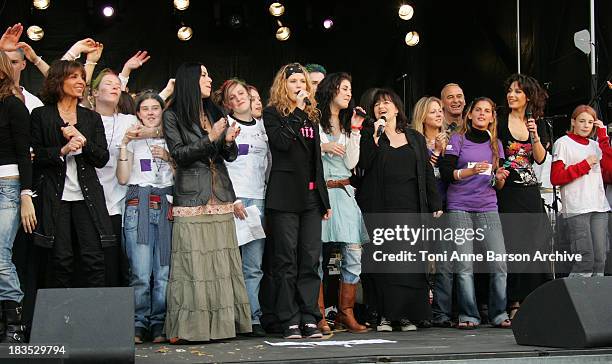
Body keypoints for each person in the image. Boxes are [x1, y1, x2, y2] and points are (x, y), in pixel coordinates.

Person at [163, 62, 251, 343]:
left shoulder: (215, 111)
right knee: (193, 265)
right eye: (203, 75)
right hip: (191, 196)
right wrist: (211, 137)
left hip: (221, 193)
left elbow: (230, 155)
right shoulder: (173, 115)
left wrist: (226, 141)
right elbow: (179, 154)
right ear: (189, 80)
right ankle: (191, 328)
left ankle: (223, 327)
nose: (209, 79)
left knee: (221, 265)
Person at [357, 89, 442, 332]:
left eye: (386, 103)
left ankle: (406, 315)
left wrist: (435, 204)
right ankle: (385, 316)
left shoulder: (414, 137)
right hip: (381, 208)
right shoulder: (371, 135)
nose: (381, 107)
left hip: (411, 208)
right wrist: (373, 137)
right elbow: (363, 165)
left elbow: (426, 171)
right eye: (377, 105)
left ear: (396, 108)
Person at [262, 62, 331, 339]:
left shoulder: (312, 116)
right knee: (286, 261)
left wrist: (323, 200)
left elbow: (316, 162)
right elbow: (281, 143)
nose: (299, 86)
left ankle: (309, 316)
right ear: (283, 85)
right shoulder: (272, 113)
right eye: (293, 82)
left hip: (310, 198)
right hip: (284, 198)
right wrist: (299, 111)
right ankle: (288, 317)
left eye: (302, 81)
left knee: (310, 260)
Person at [31, 60, 115, 288]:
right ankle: (62, 318)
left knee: (94, 257)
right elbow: (35, 156)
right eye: (74, 77)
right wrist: (62, 150)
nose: (81, 82)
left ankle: (97, 315)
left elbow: (102, 158)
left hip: (86, 196)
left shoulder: (91, 117)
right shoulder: (41, 115)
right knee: (61, 259)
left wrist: (82, 141)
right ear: (59, 81)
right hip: (55, 196)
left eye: (82, 77)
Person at [438, 97, 511, 329]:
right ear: (469, 115)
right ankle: (468, 315)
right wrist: (470, 171)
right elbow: (446, 172)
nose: (481, 114)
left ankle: (499, 314)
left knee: (499, 262)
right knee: (465, 264)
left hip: (488, 206)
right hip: (459, 206)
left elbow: (496, 183)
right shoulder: (457, 139)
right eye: (477, 110)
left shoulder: (496, 144)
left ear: (492, 117)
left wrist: (499, 179)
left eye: (487, 111)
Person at [116, 91, 174, 344]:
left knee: (163, 273)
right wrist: (123, 145)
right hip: (138, 204)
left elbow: (185, 174)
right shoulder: (131, 138)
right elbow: (122, 178)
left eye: (155, 108)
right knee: (140, 273)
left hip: (165, 205)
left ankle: (159, 323)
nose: (151, 112)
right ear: (137, 112)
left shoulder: (172, 138)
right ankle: (138, 324)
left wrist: (169, 157)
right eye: (145, 108)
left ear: (162, 111)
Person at [214, 78, 270, 337]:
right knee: (228, 265)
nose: (238, 99)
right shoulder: (226, 126)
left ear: (249, 95)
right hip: (233, 200)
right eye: (232, 97)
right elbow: (219, 166)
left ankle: (252, 318)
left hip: (258, 200)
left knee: (253, 265)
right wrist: (231, 198)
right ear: (226, 104)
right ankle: (228, 319)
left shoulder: (263, 126)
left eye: (240, 94)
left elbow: (269, 165)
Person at [315, 72, 369, 334]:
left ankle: (345, 313)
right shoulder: (314, 120)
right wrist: (323, 148)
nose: (348, 93)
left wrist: (356, 130)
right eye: (344, 88)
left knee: (353, 252)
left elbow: (350, 163)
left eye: (350, 89)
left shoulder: (347, 124)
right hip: (322, 192)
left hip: (345, 190)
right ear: (331, 90)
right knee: (316, 256)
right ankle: (319, 314)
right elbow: (306, 152)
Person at [497, 74, 552, 319]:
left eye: (518, 92)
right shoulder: (499, 121)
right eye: (510, 91)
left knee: (535, 245)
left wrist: (535, 135)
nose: (512, 95)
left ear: (528, 96)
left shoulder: (536, 122)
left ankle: (537, 298)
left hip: (530, 192)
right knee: (513, 246)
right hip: (508, 192)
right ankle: (514, 301)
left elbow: (539, 158)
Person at [551, 105, 611, 277]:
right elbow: (556, 178)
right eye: (582, 121)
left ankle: (595, 299)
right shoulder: (562, 143)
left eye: (590, 122)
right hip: (577, 207)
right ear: (573, 122)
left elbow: (610, 169)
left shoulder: (596, 145)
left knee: (600, 259)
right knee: (585, 259)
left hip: (599, 206)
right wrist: (584, 165)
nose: (586, 125)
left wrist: (603, 137)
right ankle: (574, 299)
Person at [0, 50, 35, 343]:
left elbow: (25, 153)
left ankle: (15, 324)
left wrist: (26, 194)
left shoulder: (13, 105)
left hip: (7, 185)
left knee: (0, 256)